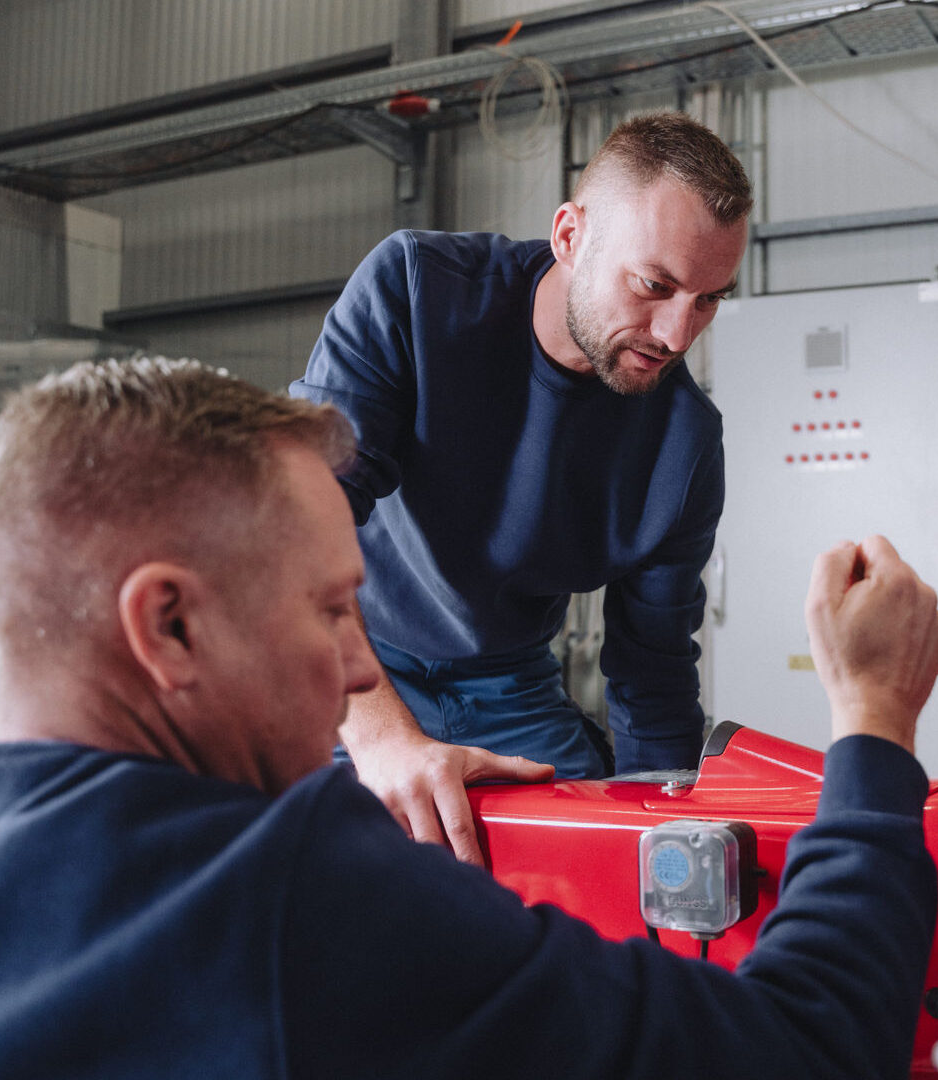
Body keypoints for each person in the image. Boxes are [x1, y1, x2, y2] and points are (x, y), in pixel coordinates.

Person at [0, 359, 938, 1080]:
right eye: (332, 610)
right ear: (167, 626)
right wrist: (874, 718)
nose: (352, 676)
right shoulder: (279, 894)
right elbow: (805, 1047)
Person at [290, 111, 750, 862]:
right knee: (320, 871)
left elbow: (655, 670)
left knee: (588, 868)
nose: (676, 333)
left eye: (708, 299)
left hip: (509, 686)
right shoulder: (414, 290)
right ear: (570, 236)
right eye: (654, 285)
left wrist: (667, 850)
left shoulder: (684, 444)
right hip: (349, 656)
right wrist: (384, 743)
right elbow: (293, 534)